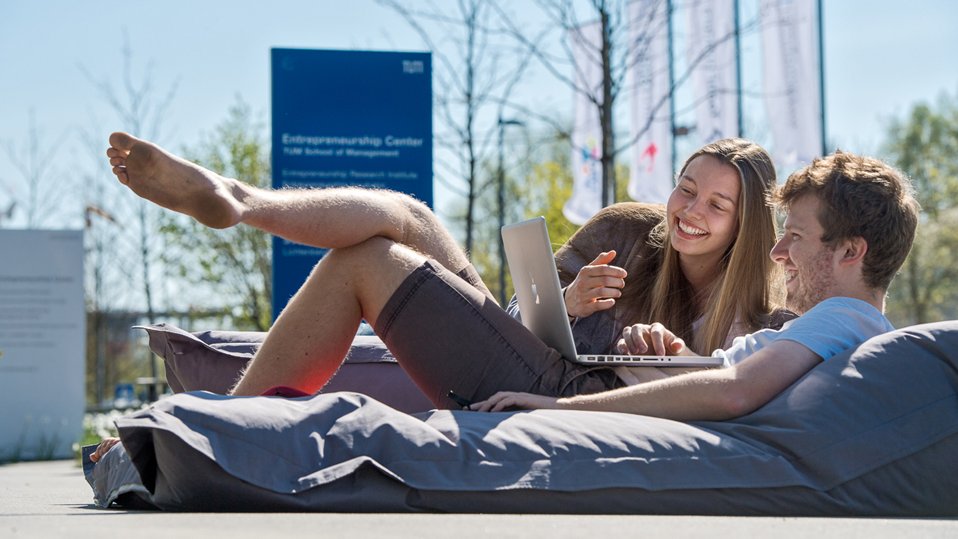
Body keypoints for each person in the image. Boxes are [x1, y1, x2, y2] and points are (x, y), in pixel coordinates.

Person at [473, 150, 920, 419]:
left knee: (413, 233)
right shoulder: (835, 325)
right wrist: (676, 357)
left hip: (572, 394)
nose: (778, 251)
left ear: (849, 252)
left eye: (796, 237)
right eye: (685, 189)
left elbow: (735, 390)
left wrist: (555, 411)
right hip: (580, 381)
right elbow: (727, 375)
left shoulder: (842, 319)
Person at [536, 139, 790, 380]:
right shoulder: (620, 232)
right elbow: (518, 315)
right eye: (686, 189)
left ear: (744, 226)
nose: (690, 211)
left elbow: (735, 398)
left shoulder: (769, 320)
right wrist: (566, 303)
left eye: (717, 206)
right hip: (551, 385)